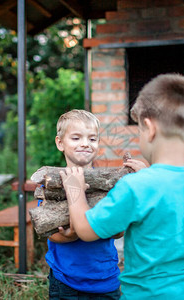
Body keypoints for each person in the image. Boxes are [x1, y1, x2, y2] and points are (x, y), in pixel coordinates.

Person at [60, 74, 184, 299]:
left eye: (139, 130)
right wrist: (150, 174)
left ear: (149, 129)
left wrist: (74, 189)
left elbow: (85, 230)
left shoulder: (135, 186)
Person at [45, 109, 121, 299]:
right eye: (76, 138)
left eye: (92, 139)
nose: (85, 144)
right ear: (60, 143)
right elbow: (49, 230)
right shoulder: (51, 184)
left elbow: (120, 230)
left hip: (105, 279)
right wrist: (68, 237)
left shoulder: (107, 185)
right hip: (65, 280)